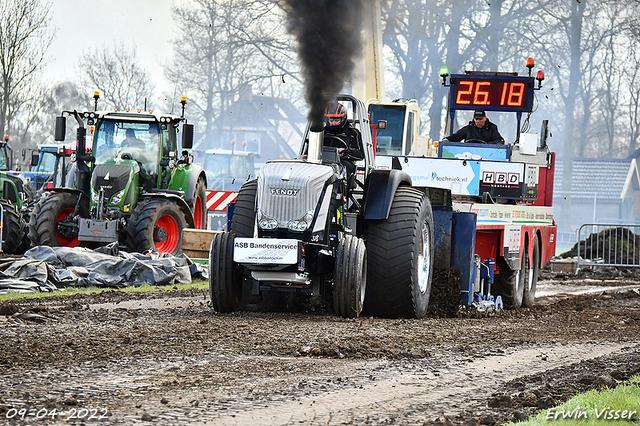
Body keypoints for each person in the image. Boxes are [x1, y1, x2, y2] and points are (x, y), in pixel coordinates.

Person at [323, 101, 364, 182]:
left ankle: (338, 192)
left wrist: (345, 152)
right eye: (331, 121)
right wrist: (306, 155)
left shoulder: (353, 133)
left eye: (336, 120)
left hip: (343, 163)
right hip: (322, 162)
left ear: (343, 118)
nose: (333, 123)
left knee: (341, 168)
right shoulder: (322, 132)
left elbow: (361, 154)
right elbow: (310, 148)